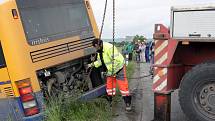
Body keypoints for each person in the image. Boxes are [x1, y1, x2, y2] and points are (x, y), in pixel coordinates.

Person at [89, 39, 132, 111]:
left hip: (119, 68)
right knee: (110, 88)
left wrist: (112, 72)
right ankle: (110, 104)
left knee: (123, 87)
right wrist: (91, 65)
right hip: (111, 71)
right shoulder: (100, 51)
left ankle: (128, 103)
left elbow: (117, 61)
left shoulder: (109, 48)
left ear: (97, 45)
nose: (94, 49)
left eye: (94, 47)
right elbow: (100, 62)